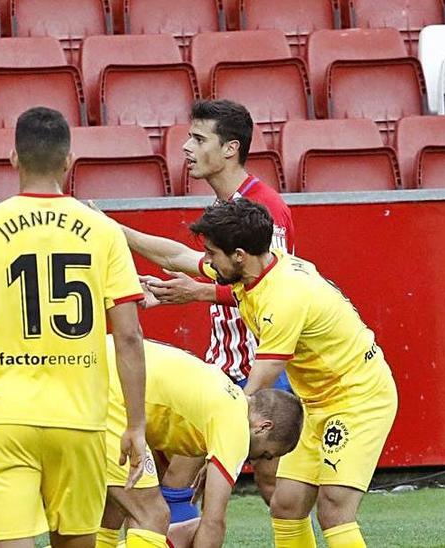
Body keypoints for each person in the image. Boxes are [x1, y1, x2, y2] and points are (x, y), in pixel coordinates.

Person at [109, 198, 398, 548]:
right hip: (315, 400)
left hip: (358, 397)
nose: (208, 261)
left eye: (213, 254)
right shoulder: (259, 270)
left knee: (334, 506)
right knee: (287, 504)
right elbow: (177, 258)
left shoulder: (286, 297)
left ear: (240, 255)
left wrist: (221, 433)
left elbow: (260, 378)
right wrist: (116, 232)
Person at [0, 107, 151, 548]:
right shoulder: (103, 232)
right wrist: (136, 424)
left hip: (5, 417)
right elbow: (128, 335)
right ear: (68, 161)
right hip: (80, 420)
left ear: (13, 158)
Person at [122, 100, 298, 520]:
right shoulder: (226, 209)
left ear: (230, 149)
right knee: (179, 480)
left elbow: (272, 288)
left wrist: (195, 293)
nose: (186, 148)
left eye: (199, 139)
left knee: (271, 485)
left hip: (259, 364)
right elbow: (185, 259)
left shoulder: (266, 210)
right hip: (223, 362)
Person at [98, 336, 303, 548]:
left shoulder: (224, 391)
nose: (255, 460)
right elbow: (213, 522)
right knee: (153, 515)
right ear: (263, 426)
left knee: (114, 510)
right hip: (108, 394)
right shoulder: (236, 427)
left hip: (90, 366)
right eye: (266, 454)